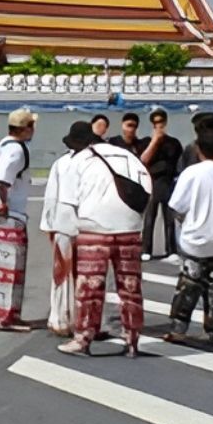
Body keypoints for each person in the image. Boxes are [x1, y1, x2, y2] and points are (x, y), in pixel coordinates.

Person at [55, 127, 148, 356]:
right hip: (129, 228)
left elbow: (67, 204)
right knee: (130, 287)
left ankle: (83, 338)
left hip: (93, 227)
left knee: (90, 287)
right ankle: (132, 339)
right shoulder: (127, 156)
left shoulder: (79, 161)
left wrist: (68, 236)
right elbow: (146, 188)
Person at [167, 131, 213, 346]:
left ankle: (178, 328)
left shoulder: (190, 173)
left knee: (189, 284)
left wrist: (185, 222)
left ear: (198, 150)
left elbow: (176, 206)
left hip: (194, 239)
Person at [0, 108, 36, 333]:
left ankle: (2, 312)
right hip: (11, 214)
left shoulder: (3, 146)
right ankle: (8, 317)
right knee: (12, 267)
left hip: (1, 213)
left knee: (1, 266)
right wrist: (4, 201)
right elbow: (2, 179)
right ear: (25, 129)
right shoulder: (16, 150)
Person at [40, 122, 94, 337]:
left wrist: (48, 226)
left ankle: (60, 319)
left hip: (62, 221)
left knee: (61, 273)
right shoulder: (93, 163)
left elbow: (50, 197)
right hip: (87, 222)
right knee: (87, 273)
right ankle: (85, 318)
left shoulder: (61, 163)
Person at [137, 108, 184, 262]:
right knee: (150, 217)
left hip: (168, 181)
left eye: (161, 122)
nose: (159, 125)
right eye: (156, 123)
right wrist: (155, 141)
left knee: (169, 218)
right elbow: (143, 160)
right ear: (152, 124)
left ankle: (171, 249)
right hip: (152, 182)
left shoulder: (174, 143)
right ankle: (146, 249)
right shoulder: (145, 142)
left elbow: (179, 163)